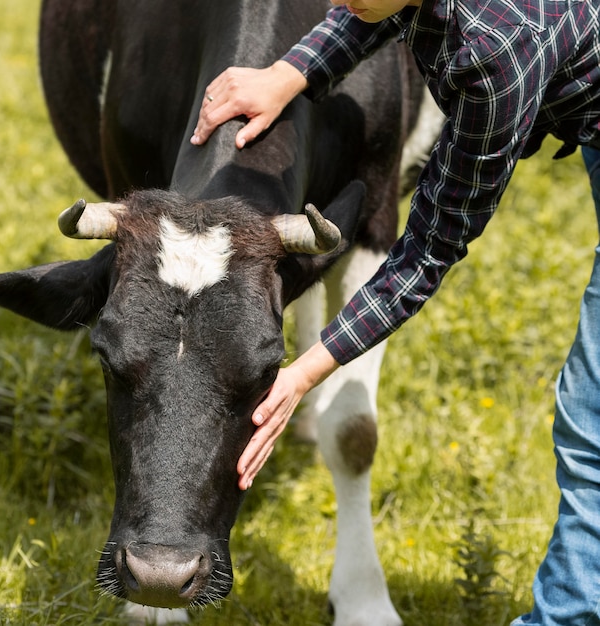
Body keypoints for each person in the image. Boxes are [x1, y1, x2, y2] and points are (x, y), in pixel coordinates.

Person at [191, 1, 600, 623]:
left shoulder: (497, 50)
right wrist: (291, 72)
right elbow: (377, 6)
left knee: (592, 425)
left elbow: (427, 252)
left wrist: (301, 374)